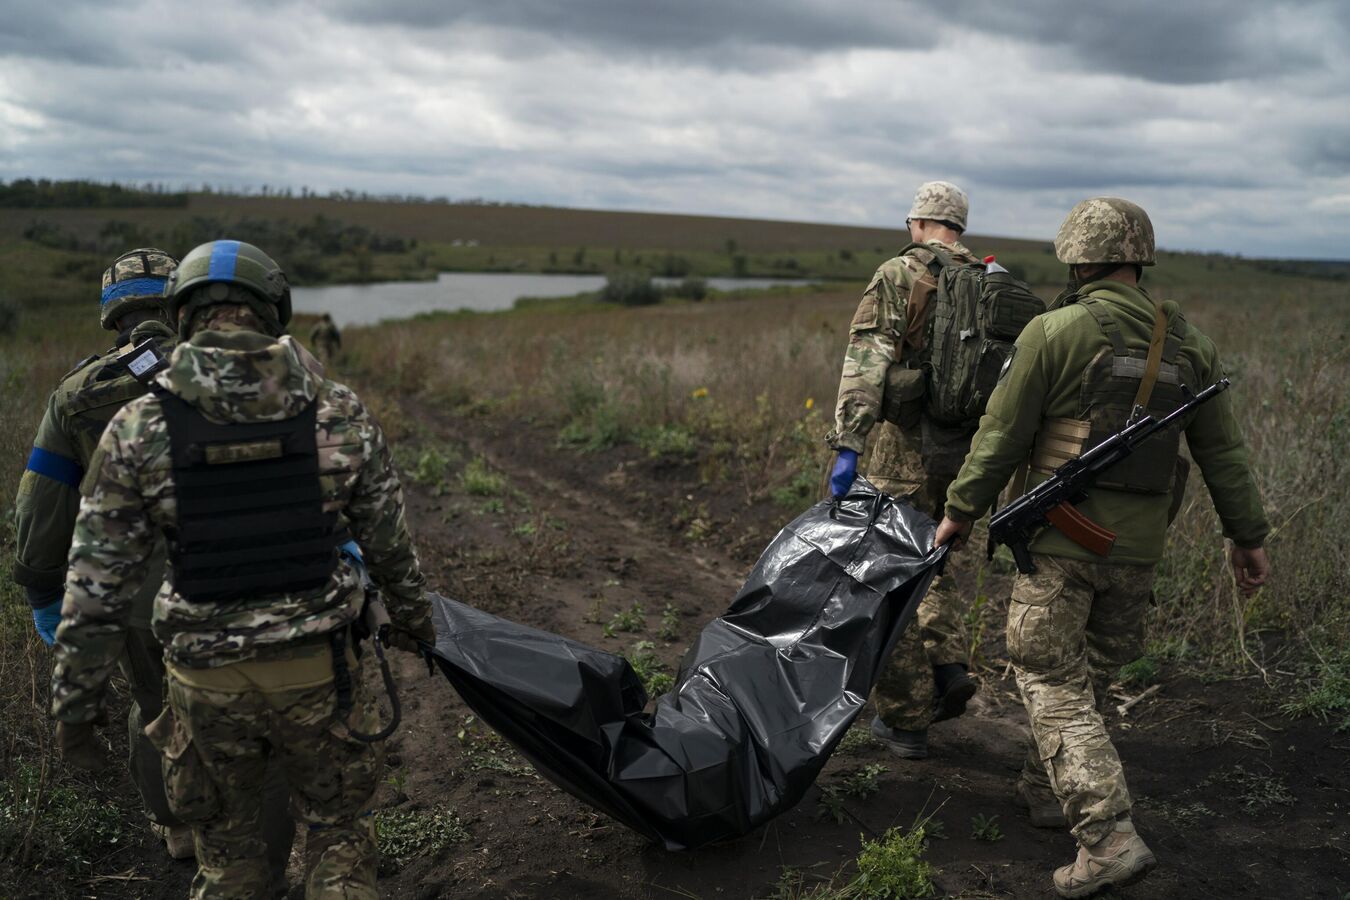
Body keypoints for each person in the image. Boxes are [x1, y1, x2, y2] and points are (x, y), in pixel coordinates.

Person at [50, 239, 435, 899]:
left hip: (204, 687)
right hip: (322, 677)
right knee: (339, 839)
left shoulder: (139, 427)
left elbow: (96, 588)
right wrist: (415, 622)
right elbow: (389, 548)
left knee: (228, 860)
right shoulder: (338, 410)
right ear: (274, 310)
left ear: (182, 316)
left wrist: (75, 709)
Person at [935, 198, 1270, 897]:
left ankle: (1108, 836)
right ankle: (1044, 791)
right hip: (1137, 552)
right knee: (1081, 677)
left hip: (1063, 540)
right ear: (1137, 257)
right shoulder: (1191, 345)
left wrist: (958, 513)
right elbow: (1224, 455)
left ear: (1078, 258)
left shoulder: (1054, 331)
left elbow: (1000, 436)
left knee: (1047, 678)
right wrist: (1248, 537)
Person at [826, 180, 981, 758]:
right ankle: (946, 664)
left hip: (904, 452)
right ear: (959, 227)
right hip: (967, 459)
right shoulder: (990, 282)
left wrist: (848, 445)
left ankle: (906, 716)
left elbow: (867, 359)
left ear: (916, 223)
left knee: (881, 574)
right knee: (932, 565)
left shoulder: (899, 274)